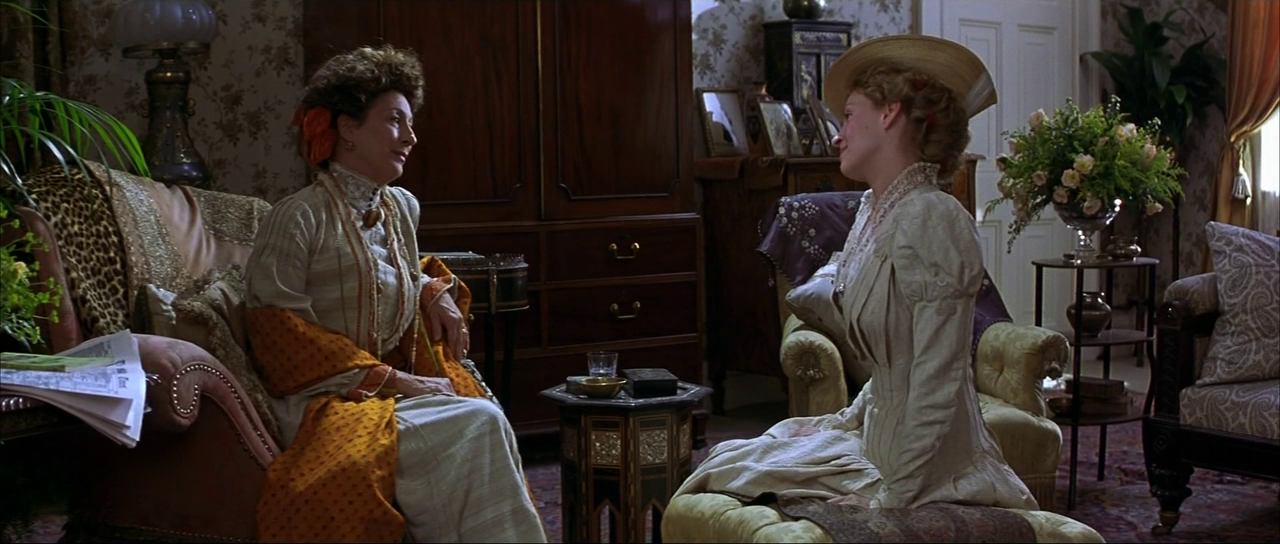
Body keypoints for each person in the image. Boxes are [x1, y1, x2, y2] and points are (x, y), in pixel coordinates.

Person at [673, 35, 1038, 511]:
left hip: (928, 470)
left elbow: (939, 378)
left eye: (847, 116)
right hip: (877, 443)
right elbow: (892, 362)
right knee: (724, 463)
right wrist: (845, 420)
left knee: (728, 480)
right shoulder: (872, 211)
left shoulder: (933, 217)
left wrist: (893, 497)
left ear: (890, 113)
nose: (837, 135)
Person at [242, 44, 547, 543]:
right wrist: (402, 382)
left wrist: (430, 290)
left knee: (484, 417)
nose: (411, 136)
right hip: (325, 402)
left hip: (390, 395)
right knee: (477, 420)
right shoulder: (298, 216)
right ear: (347, 129)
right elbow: (278, 333)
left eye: (410, 122)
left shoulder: (400, 208)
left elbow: (391, 270)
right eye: (394, 121)